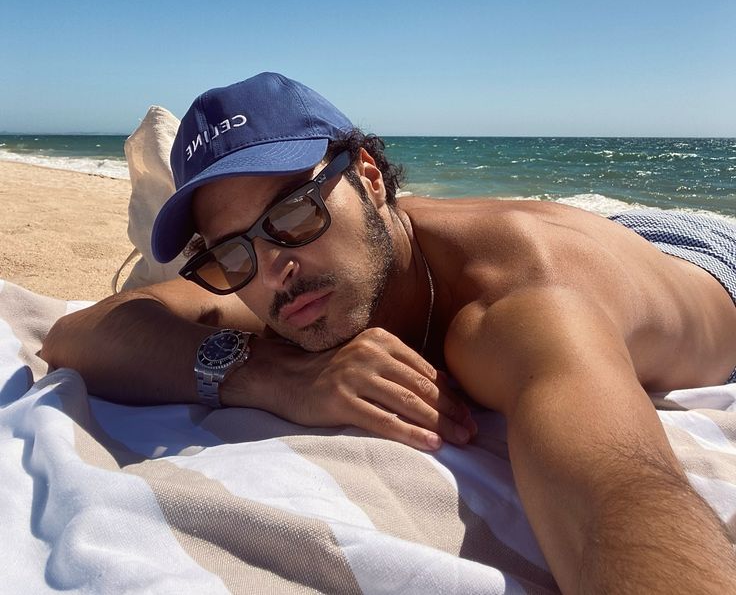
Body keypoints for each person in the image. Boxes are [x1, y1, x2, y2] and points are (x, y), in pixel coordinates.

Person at [42, 71, 736, 594]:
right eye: (230, 248)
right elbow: (76, 336)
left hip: (701, 257)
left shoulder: (519, 304)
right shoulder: (281, 270)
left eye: (292, 210)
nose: (274, 269)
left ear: (368, 175)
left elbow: (614, 500)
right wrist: (269, 372)